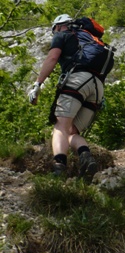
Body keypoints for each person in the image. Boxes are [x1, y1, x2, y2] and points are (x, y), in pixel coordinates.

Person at [28, 13, 102, 180]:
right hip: (98, 88)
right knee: (70, 131)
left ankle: (59, 166)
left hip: (77, 81)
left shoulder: (62, 35)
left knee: (60, 126)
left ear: (59, 26)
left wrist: (38, 84)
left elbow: (52, 57)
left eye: (54, 30)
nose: (54, 33)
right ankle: (86, 156)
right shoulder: (90, 39)